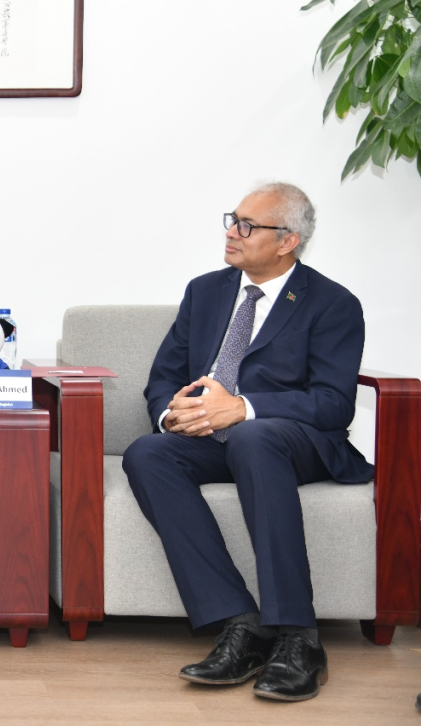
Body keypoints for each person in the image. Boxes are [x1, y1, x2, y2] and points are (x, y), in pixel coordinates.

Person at [122, 182, 372, 702]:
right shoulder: (205, 291)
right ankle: (240, 624)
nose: (231, 233)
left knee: (254, 439)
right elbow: (164, 376)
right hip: (215, 438)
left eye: (248, 226)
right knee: (147, 453)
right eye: (232, 220)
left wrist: (243, 407)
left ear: (287, 241)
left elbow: (333, 403)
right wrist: (174, 414)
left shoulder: (332, 303)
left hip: (291, 440)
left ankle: (300, 638)